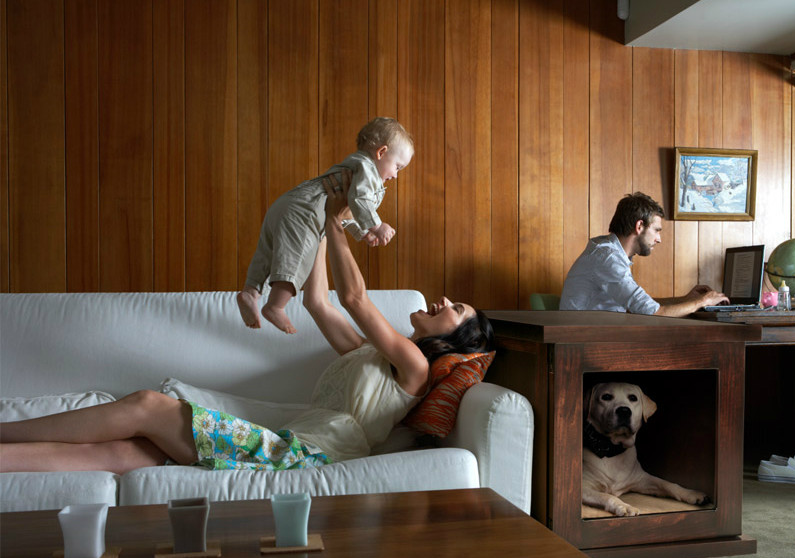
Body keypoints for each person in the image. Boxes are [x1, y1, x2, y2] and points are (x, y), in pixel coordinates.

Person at [0, 172, 493, 475]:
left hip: (304, 458)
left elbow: (355, 297)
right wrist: (318, 220)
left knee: (148, 405)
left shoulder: (414, 368)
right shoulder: (372, 353)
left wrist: (337, 223)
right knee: (131, 454)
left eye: (457, 309)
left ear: (454, 338)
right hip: (288, 444)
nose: (445, 299)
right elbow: (321, 302)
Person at [238, 117, 415, 334]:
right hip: (305, 213)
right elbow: (360, 200)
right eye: (397, 167)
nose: (396, 175)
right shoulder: (368, 171)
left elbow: (343, 209)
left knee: (268, 252)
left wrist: (363, 232)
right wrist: (377, 226)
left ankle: (251, 291)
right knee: (297, 255)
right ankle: (275, 305)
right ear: (381, 152)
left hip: (289, 203)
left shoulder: (354, 167)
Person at [560, 192, 729, 317]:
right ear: (639, 226)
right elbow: (654, 313)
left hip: (595, 339)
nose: (659, 239)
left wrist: (686, 299)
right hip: (585, 347)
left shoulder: (609, 252)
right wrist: (703, 302)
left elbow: (642, 306)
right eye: (656, 230)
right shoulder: (608, 258)